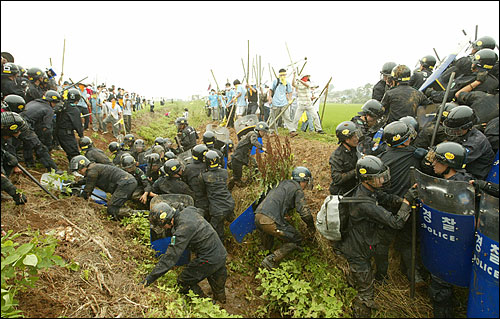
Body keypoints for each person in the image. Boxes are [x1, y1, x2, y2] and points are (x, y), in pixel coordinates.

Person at [340, 155, 414, 317]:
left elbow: (386, 198)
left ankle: (352, 282)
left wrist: (400, 200)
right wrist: (407, 203)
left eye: (383, 176)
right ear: (366, 179)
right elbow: (396, 223)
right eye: (378, 178)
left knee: (360, 277)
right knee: (367, 293)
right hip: (357, 250)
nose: (382, 181)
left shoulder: (368, 190)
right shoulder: (364, 202)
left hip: (360, 243)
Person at [140, 202, 228, 303]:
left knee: (184, 281)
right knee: (218, 284)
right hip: (220, 252)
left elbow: (170, 258)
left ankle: (207, 304)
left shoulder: (182, 231)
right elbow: (200, 211)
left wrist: (148, 280)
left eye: (163, 226)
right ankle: (221, 301)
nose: (164, 229)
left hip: (209, 259)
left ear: (169, 221)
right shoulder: (189, 210)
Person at [423, 142, 472, 318]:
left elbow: (467, 216)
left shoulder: (461, 189)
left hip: (451, 248)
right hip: (450, 245)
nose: (433, 165)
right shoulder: (456, 181)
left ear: (448, 164)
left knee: (440, 288)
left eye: (437, 162)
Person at [378, 120, 426, 285]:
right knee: (408, 241)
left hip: (387, 206)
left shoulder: (381, 157)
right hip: (408, 205)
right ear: (405, 140)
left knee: (384, 242)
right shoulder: (416, 155)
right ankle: (413, 274)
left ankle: (381, 277)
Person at [255, 166, 316, 270]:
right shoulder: (297, 189)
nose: (306, 185)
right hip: (270, 220)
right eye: (306, 182)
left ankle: (262, 256)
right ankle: (271, 260)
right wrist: (311, 226)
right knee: (296, 238)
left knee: (268, 234)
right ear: (302, 181)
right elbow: (304, 213)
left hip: (258, 215)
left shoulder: (282, 183)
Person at [69, 155, 137, 220]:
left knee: (111, 209)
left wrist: (78, 200)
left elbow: (88, 190)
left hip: (126, 183)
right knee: (116, 205)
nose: (79, 172)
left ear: (84, 166)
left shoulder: (92, 172)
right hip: (127, 182)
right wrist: (74, 184)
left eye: (79, 170)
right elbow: (87, 180)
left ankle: (141, 214)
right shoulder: (94, 168)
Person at [443, 105, 494, 180]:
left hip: (475, 177)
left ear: (467, 127)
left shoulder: (476, 142)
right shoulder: (462, 134)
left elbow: (456, 159)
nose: (454, 132)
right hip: (465, 170)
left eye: (456, 130)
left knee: (447, 171)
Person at [199, 150, 235, 241]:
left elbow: (203, 191)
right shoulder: (224, 172)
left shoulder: (203, 176)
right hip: (229, 204)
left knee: (214, 232)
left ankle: (221, 247)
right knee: (232, 221)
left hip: (217, 210)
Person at [20, 90, 59, 155]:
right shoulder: (48, 109)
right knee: (37, 145)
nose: (55, 105)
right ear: (51, 102)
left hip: (19, 121)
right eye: (55, 103)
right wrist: (49, 144)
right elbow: (47, 129)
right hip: (26, 125)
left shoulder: (33, 102)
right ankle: (34, 162)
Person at [229, 121, 268, 187]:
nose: (264, 134)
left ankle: (248, 183)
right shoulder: (253, 134)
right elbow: (254, 141)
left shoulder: (251, 134)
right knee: (236, 178)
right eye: (263, 132)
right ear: (259, 131)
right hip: (238, 157)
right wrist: (262, 148)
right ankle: (228, 190)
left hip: (244, 156)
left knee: (255, 167)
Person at [329, 121, 361, 196]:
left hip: (355, 189)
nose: (357, 139)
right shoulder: (337, 156)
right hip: (341, 193)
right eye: (354, 137)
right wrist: (355, 171)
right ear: (347, 140)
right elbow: (337, 178)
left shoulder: (356, 149)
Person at [182, 144, 210, 216]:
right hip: (207, 197)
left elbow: (184, 181)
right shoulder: (207, 166)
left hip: (194, 198)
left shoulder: (188, 168)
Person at [269, 69, 293, 133]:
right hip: (275, 102)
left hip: (284, 103)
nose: (283, 76)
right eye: (282, 75)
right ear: (279, 75)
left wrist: (290, 99)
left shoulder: (287, 83)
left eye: (284, 75)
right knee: (274, 118)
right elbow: (270, 90)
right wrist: (270, 98)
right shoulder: (275, 82)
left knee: (287, 117)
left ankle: (292, 130)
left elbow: (290, 91)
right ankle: (271, 131)